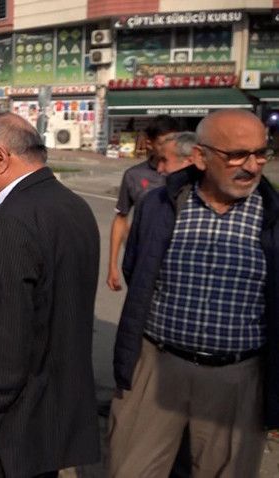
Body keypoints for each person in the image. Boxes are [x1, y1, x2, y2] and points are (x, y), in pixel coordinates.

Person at [108, 110, 278, 477]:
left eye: (261, 153)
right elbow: (137, 270)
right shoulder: (159, 206)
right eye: (237, 155)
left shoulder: (273, 217)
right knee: (130, 469)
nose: (252, 166)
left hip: (236, 378)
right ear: (200, 157)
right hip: (156, 367)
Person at [0, 113, 100, 477]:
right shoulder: (74, 206)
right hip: (50, 423)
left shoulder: (12, 221)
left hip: (8, 432)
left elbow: (6, 346)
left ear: (0, 157)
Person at [106, 115, 182, 291]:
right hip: (142, 260)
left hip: (177, 263)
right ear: (149, 143)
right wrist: (112, 266)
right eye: (164, 142)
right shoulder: (134, 176)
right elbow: (121, 218)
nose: (171, 146)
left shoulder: (189, 174)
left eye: (175, 141)